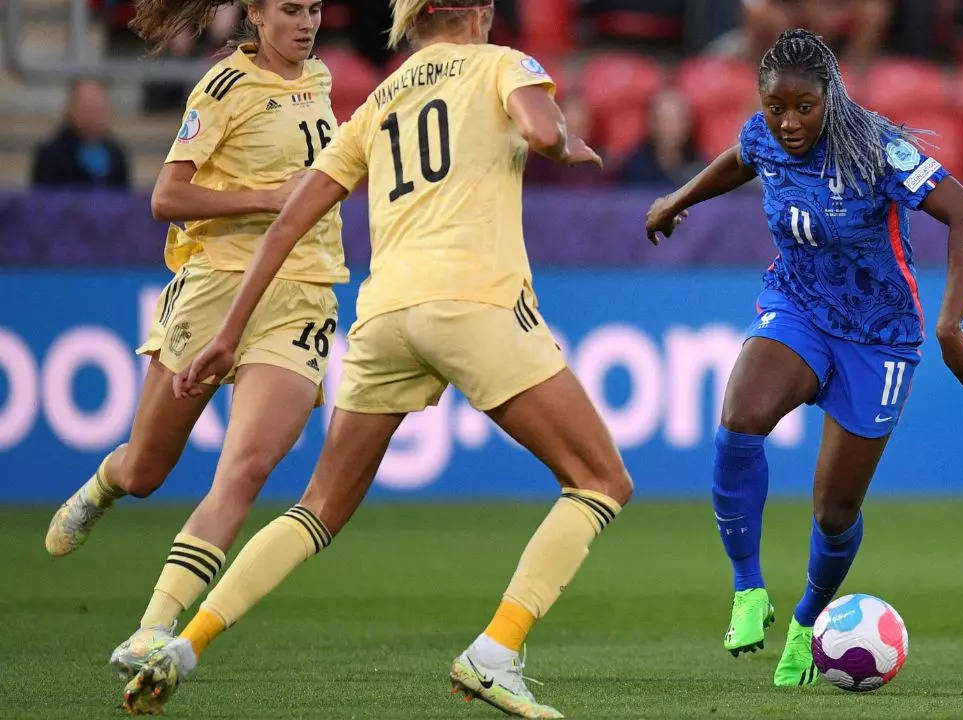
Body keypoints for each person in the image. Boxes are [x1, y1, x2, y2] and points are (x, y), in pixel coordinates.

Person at [123, 2, 630, 718]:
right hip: (473, 302)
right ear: (482, 12)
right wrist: (565, 144)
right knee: (600, 479)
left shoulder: (375, 103)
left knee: (319, 507)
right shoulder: (503, 64)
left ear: (414, 22)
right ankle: (495, 652)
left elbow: (287, 223)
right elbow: (543, 130)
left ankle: (186, 642)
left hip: (385, 316)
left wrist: (229, 333)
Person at [645, 28, 963, 686]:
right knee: (740, 417)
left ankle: (807, 622)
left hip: (879, 334)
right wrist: (676, 199)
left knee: (834, 512)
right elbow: (740, 159)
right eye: (776, 106)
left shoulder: (877, 150)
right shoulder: (762, 134)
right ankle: (749, 589)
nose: (788, 121)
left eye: (804, 107)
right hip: (799, 306)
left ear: (830, 98)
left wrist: (950, 325)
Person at [43, 0, 348, 681]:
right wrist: (270, 198)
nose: (306, 23)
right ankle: (104, 482)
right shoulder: (223, 87)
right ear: (258, 14)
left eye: (315, 9)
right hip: (214, 288)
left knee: (245, 470)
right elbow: (166, 198)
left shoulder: (322, 80)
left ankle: (153, 630)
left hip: (300, 299)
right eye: (291, 10)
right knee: (148, 470)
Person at [31, 77, 131, 188]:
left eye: (98, 106)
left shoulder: (117, 153)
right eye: (86, 107)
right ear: (70, 109)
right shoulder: (50, 154)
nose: (92, 115)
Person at [619, 89, 703, 187]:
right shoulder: (632, 168)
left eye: (677, 120)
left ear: (688, 123)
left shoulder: (701, 167)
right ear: (651, 123)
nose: (671, 128)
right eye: (664, 120)